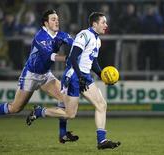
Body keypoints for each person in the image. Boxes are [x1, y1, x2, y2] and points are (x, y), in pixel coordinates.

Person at [27, 12, 120, 150]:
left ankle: (102, 141)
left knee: (101, 105)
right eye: (103, 22)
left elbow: (92, 60)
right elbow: (72, 58)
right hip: (73, 76)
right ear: (94, 24)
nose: (106, 25)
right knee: (70, 114)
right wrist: (80, 76)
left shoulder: (97, 40)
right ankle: (40, 111)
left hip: (84, 76)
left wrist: (102, 75)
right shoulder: (85, 35)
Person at [0, 9, 78, 143]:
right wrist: (68, 59)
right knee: (15, 108)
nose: (57, 21)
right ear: (46, 23)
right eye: (53, 19)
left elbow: (75, 44)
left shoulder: (61, 35)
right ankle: (38, 112)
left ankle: (63, 134)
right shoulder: (40, 37)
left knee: (65, 99)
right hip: (31, 75)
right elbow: (51, 56)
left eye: (57, 19)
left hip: (46, 76)